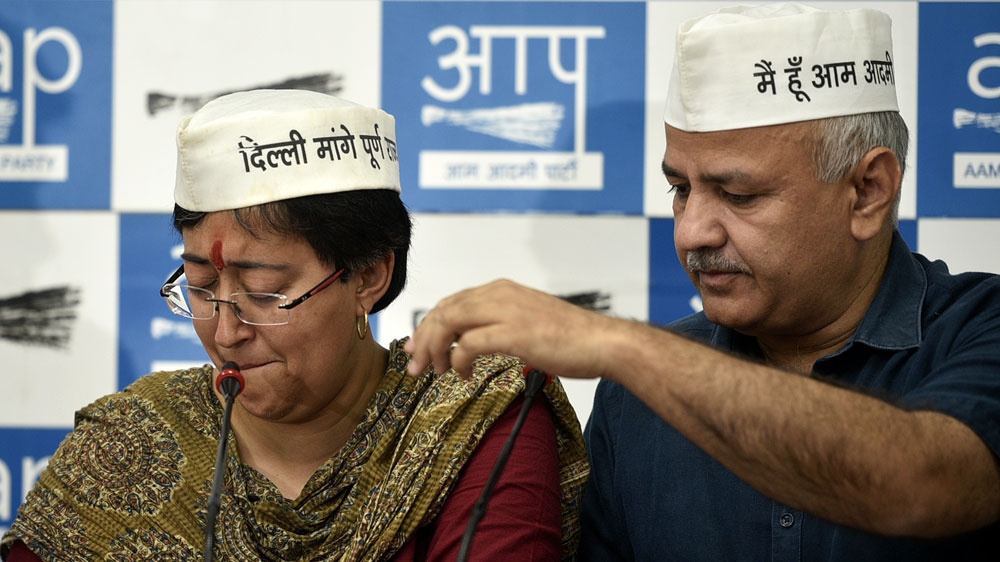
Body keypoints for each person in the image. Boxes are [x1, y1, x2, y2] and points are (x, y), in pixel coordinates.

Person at [404, 3, 1000, 560]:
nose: (691, 233)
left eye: (739, 195)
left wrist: (623, 346)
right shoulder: (634, 398)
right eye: (680, 189)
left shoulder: (982, 325)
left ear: (868, 191)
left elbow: (929, 483)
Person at [1, 90, 589, 561]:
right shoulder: (127, 442)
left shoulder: (473, 419)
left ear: (368, 276)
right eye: (201, 287)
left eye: (262, 292)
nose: (225, 334)